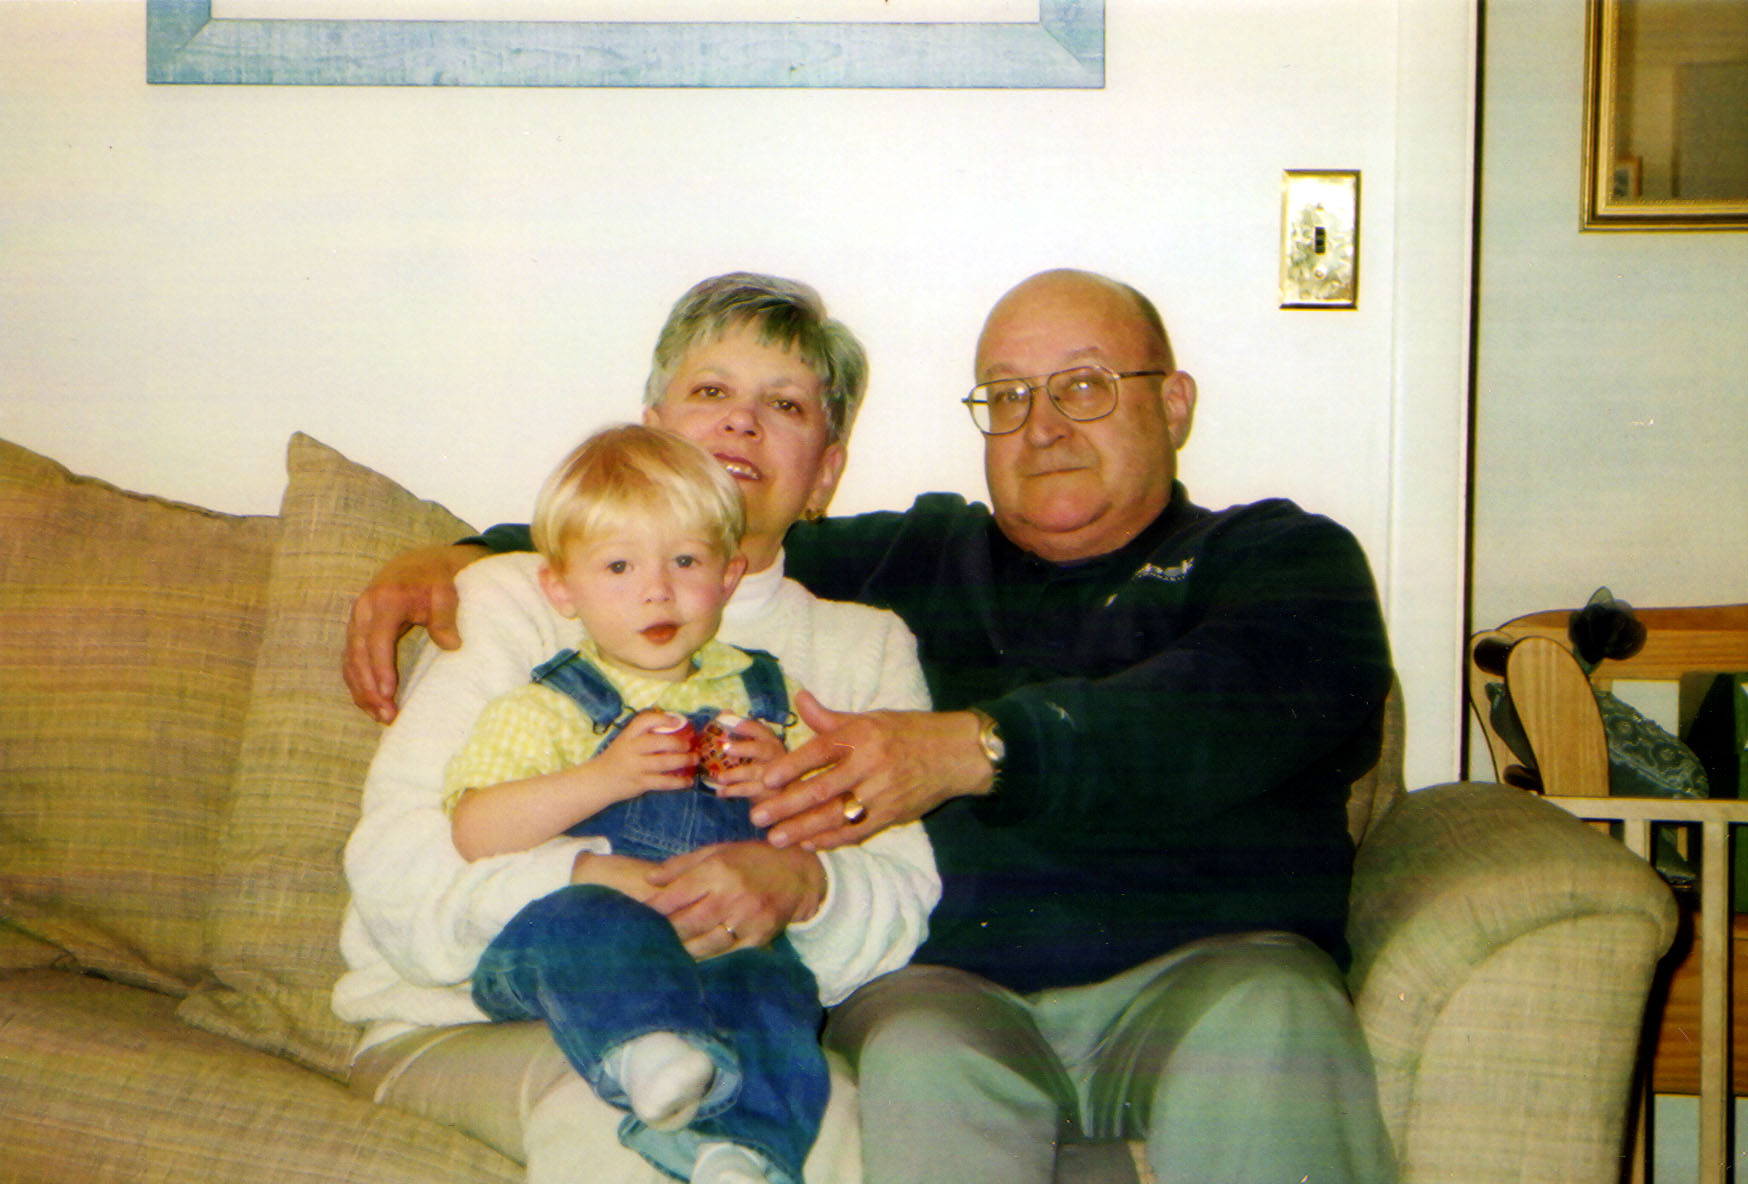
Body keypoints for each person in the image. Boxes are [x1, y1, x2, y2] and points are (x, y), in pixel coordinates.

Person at [345, 268, 1399, 1184]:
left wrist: (972, 748)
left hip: (1211, 973)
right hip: (944, 1001)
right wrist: (456, 551)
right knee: (892, 1066)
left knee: (1270, 1021)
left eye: (1083, 385)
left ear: (1172, 403)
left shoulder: (1277, 558)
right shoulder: (912, 559)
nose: (1043, 424)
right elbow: (608, 551)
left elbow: (1217, 708)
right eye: (1009, 396)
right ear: (651, 427)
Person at [333, 274, 938, 1184]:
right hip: (464, 1020)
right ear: (650, 428)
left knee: (828, 1128)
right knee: (632, 1128)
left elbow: (899, 904)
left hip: (731, 1015)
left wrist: (801, 885)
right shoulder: (515, 596)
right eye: (711, 390)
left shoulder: (863, 649)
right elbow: (396, 868)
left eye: (784, 404)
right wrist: (595, 881)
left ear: (825, 474)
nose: (742, 422)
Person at [445, 424, 875, 1184]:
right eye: (619, 566)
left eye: (686, 561)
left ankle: (738, 1153)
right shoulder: (549, 705)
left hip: (718, 943)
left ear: (729, 576)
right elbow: (476, 831)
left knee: (777, 988)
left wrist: (783, 781)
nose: (657, 590)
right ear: (561, 589)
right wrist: (606, 778)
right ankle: (641, 1051)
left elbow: (841, 822)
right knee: (586, 919)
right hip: (573, 952)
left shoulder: (769, 696)